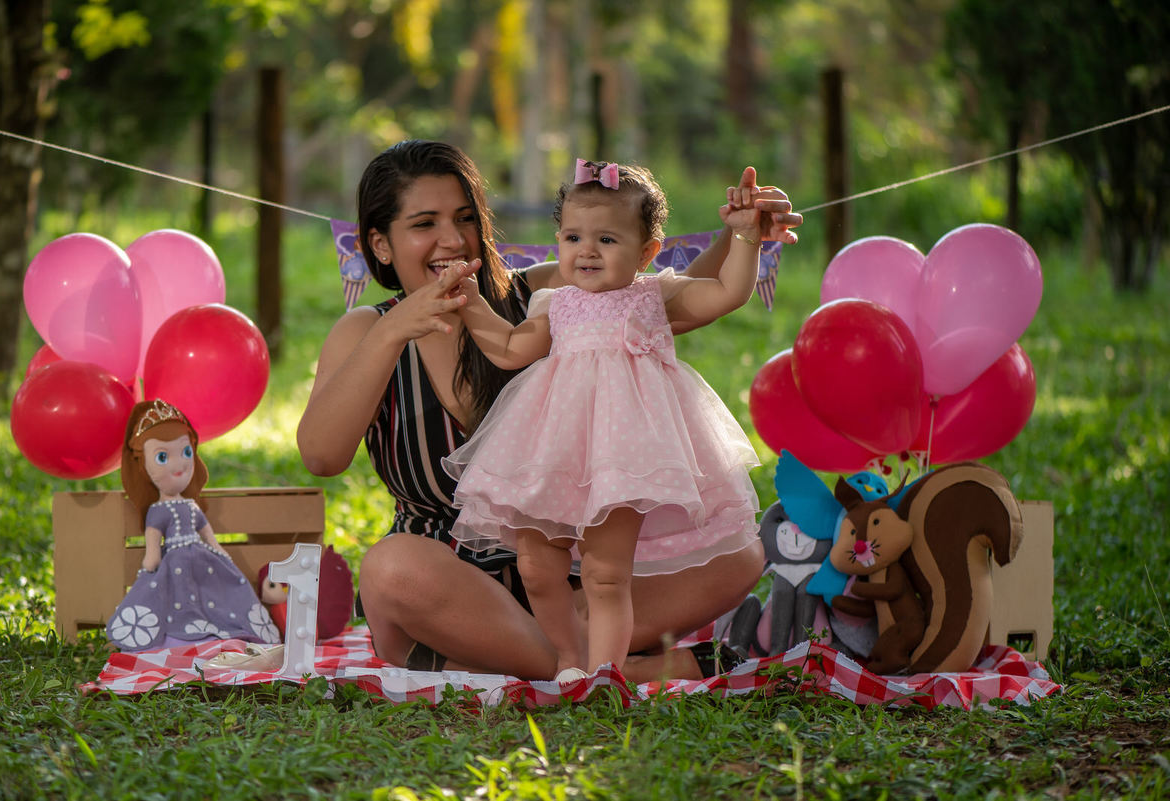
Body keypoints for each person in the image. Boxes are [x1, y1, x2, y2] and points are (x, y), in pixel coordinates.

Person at [296, 140, 801, 681]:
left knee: (740, 557)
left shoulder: (542, 294)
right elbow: (322, 456)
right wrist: (394, 330)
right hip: (448, 584)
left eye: (465, 218)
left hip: (576, 579)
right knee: (391, 567)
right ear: (382, 243)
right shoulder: (365, 331)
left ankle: (528, 663)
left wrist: (740, 233)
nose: (452, 239)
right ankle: (622, 670)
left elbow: (650, 297)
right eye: (425, 223)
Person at [443, 159, 764, 681]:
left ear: (646, 252)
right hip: (554, 448)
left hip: (625, 452)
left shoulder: (655, 296)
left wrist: (746, 238)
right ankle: (568, 658)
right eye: (573, 236)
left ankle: (603, 675)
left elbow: (728, 292)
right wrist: (471, 303)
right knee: (537, 567)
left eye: (608, 240)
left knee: (605, 574)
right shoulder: (553, 301)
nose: (586, 250)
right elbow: (508, 348)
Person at [107, 399, 281, 651]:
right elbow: (153, 549)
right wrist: (151, 563)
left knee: (217, 594)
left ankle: (226, 629)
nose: (180, 464)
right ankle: (181, 634)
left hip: (204, 561)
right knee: (180, 600)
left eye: (186, 452)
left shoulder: (192, 507)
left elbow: (211, 539)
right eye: (163, 457)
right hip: (174, 564)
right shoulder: (157, 512)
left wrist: (223, 556)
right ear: (144, 466)